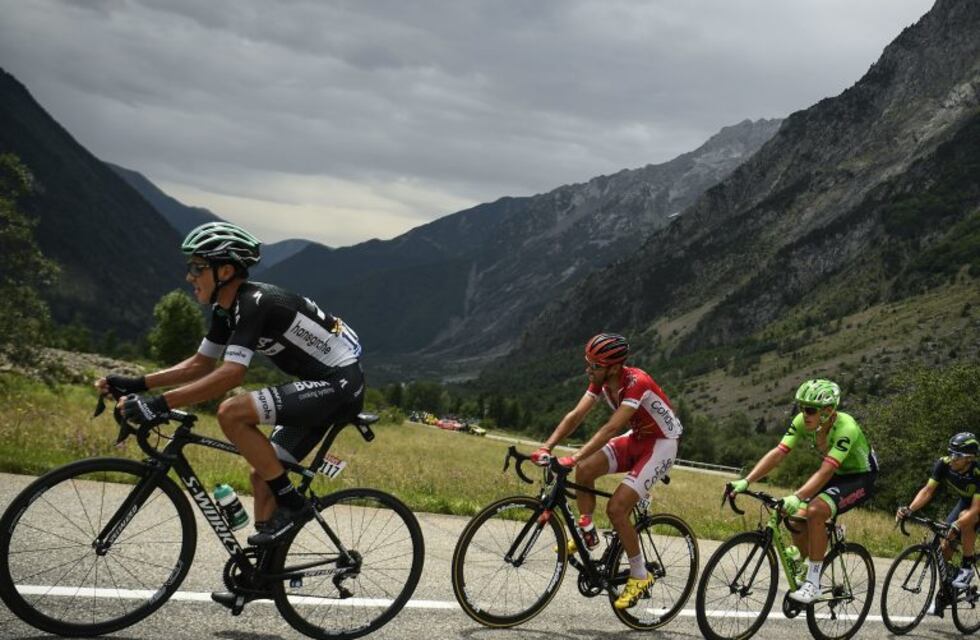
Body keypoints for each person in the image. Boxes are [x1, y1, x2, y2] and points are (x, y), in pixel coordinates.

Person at [95, 221, 365, 555]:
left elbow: (231, 375)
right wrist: (136, 383)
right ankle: (264, 573)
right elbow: (199, 365)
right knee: (263, 475)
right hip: (319, 387)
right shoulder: (226, 311)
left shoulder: (255, 302)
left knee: (232, 412)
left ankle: (292, 504)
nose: (189, 277)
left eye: (197, 268)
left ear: (224, 270)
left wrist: (160, 404)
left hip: (339, 386)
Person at [530, 333, 682, 610]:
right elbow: (576, 415)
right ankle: (588, 531)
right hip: (637, 438)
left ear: (613, 367)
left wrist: (573, 457)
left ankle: (639, 575)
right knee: (586, 471)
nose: (589, 369)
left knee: (617, 508)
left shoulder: (637, 383)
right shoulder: (601, 380)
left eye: (595, 365)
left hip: (661, 445)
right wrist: (547, 447)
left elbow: (611, 427)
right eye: (588, 363)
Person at [730, 379, 878, 604]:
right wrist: (746, 481)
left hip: (860, 477)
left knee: (816, 510)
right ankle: (805, 564)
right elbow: (779, 452)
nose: (803, 413)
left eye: (809, 409)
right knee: (795, 516)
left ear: (828, 412)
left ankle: (813, 584)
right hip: (837, 473)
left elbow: (826, 471)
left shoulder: (846, 427)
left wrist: (797, 496)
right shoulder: (802, 421)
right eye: (801, 407)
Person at [896, 432, 980, 592]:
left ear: (969, 458)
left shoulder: (977, 473)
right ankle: (946, 592)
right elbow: (928, 491)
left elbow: (976, 509)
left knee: (964, 520)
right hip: (965, 502)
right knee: (945, 547)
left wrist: (956, 525)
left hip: (977, 506)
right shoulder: (944, 464)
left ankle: (967, 567)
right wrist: (909, 509)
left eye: (957, 455)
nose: (952, 458)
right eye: (951, 453)